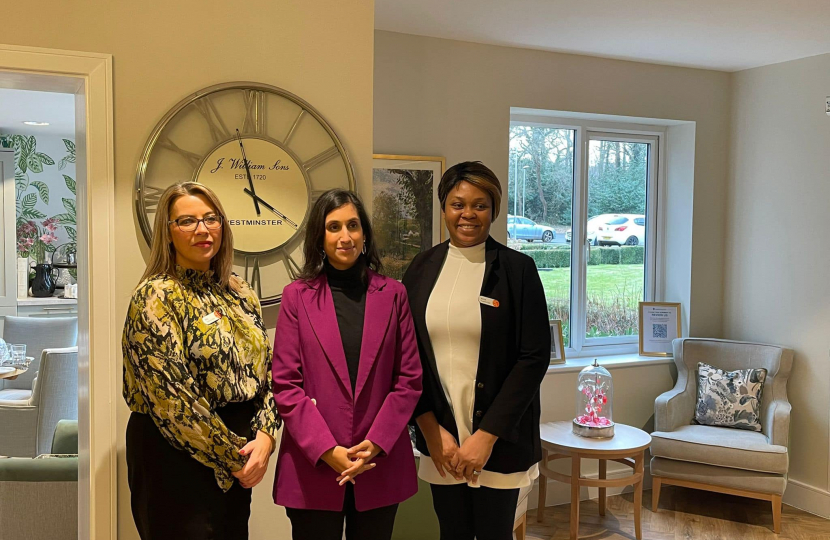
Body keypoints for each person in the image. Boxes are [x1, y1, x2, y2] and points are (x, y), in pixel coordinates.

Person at [402, 162, 550, 540]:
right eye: (457, 204)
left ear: (494, 210)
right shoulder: (420, 269)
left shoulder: (518, 270)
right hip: (442, 441)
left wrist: (486, 437)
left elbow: (533, 358)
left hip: (499, 442)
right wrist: (432, 431)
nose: (468, 214)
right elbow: (407, 357)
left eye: (479, 205)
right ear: (444, 208)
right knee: (451, 533)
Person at [122, 182, 279, 540]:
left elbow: (269, 372)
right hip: (174, 456)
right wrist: (233, 459)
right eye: (187, 221)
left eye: (211, 218)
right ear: (167, 231)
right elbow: (171, 399)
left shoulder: (240, 292)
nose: (203, 229)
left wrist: (266, 436)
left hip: (241, 452)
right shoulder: (155, 297)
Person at [272, 189, 422, 540]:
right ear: (319, 238)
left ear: (365, 234)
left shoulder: (394, 295)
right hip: (314, 465)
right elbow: (285, 384)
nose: (345, 236)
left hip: (378, 462)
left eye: (353, 225)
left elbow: (409, 380)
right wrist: (327, 449)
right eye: (333, 226)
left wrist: (377, 442)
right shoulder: (297, 296)